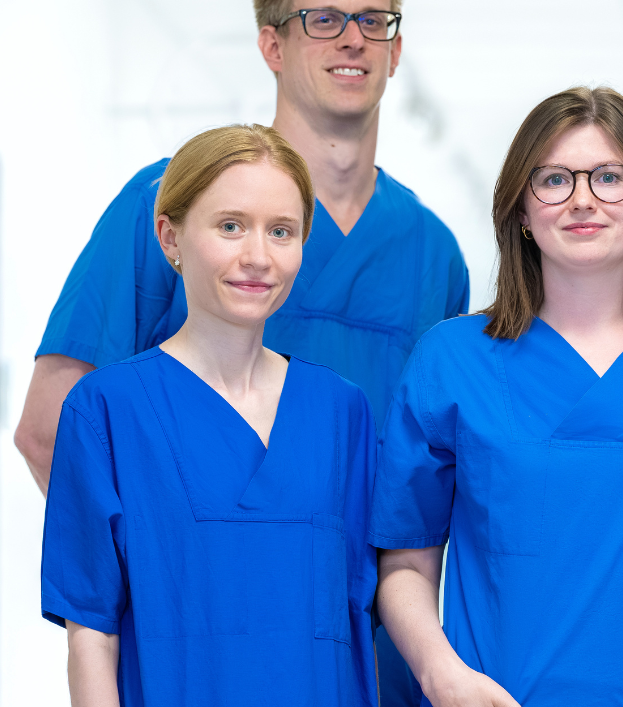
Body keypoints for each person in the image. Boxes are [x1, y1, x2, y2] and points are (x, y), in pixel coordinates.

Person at [14, 0, 463, 702]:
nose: (352, 39)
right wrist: (186, 589)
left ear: (396, 49)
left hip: (358, 651)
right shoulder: (163, 204)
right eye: (323, 19)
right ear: (272, 44)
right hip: (193, 654)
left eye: (373, 21)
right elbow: (52, 429)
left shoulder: (432, 253)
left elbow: (424, 483)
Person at [370, 86, 623, 707]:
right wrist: (439, 673)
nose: (583, 199)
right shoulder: (452, 361)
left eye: (611, 177)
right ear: (520, 210)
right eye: (554, 179)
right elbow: (406, 560)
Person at [42, 125, 377, 706]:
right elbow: (91, 634)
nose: (258, 257)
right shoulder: (107, 410)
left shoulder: (341, 411)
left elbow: (355, 615)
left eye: (281, 231)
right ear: (170, 237)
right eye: (230, 226)